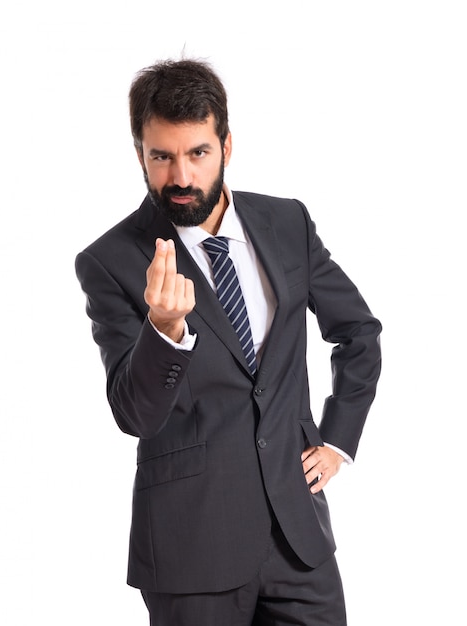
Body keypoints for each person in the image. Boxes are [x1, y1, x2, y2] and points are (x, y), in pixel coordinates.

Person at [75, 58, 382, 626]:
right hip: (193, 545)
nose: (181, 177)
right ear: (139, 153)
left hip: (298, 537)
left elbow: (358, 332)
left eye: (198, 153)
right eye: (160, 157)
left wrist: (338, 441)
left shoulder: (287, 223)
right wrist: (164, 331)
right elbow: (133, 414)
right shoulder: (110, 261)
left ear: (227, 145)